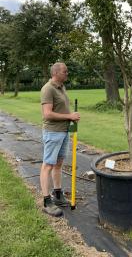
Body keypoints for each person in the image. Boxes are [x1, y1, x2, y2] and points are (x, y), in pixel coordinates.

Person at [40, 62, 80, 217]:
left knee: (58, 164)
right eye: (65, 71)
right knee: (48, 165)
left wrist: (71, 119)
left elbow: (62, 108)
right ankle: (46, 201)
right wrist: (70, 116)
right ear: (56, 72)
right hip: (53, 133)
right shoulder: (47, 89)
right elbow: (47, 114)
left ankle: (57, 194)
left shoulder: (61, 87)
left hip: (64, 132)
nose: (67, 73)